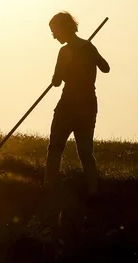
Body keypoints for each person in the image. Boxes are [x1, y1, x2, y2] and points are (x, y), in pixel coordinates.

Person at [45, 11, 110, 197]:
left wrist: (68, 66)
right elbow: (105, 68)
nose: (54, 36)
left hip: (68, 105)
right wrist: (90, 54)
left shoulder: (65, 51)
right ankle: (93, 192)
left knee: (55, 148)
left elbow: (57, 82)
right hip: (89, 105)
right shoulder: (88, 47)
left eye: (54, 31)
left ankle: (49, 190)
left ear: (64, 28)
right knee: (85, 152)